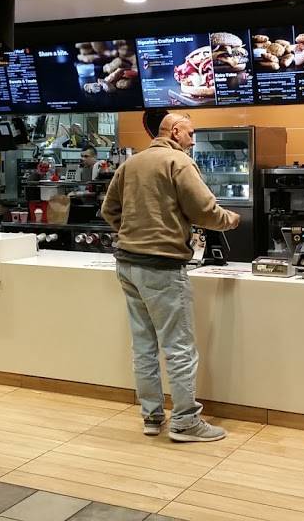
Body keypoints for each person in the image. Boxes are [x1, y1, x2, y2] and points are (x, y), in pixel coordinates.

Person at [102, 113, 240, 443]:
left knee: (144, 346)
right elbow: (204, 211)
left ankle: (151, 417)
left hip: (127, 264)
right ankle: (186, 421)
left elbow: (109, 210)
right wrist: (231, 220)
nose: (193, 140)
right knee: (179, 348)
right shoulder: (178, 162)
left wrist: (133, 233)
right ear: (175, 131)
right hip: (162, 266)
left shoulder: (131, 163)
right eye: (191, 133)